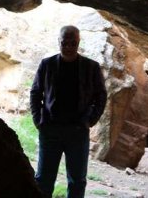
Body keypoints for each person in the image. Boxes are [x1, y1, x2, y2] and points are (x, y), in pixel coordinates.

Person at [30, 25, 107, 198]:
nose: (69, 47)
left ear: (78, 42)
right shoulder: (47, 64)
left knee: (77, 180)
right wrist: (38, 120)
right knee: (43, 179)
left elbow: (101, 96)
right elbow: (35, 93)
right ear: (59, 41)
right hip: (50, 129)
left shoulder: (91, 67)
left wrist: (90, 120)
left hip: (78, 131)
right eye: (65, 42)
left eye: (73, 43)